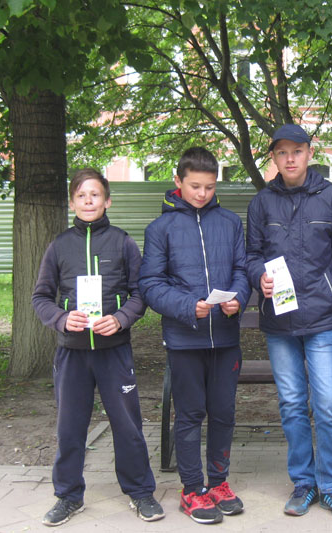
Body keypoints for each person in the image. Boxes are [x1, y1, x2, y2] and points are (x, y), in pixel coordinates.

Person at [32, 169, 163, 527]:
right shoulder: (59, 246)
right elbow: (41, 297)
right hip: (72, 354)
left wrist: (120, 319)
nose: (88, 201)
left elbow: (140, 294)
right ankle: (68, 495)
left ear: (107, 201)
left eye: (95, 195)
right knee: (69, 427)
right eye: (81, 195)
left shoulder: (122, 243)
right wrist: (62, 319)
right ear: (72, 202)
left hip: (114, 352)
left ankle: (140, 492)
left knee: (128, 425)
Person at [245, 124, 332, 521]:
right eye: (282, 152)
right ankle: (303, 483)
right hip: (279, 323)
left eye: (297, 150)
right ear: (274, 158)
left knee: (327, 404)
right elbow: (250, 256)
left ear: (310, 153)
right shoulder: (261, 203)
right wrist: (258, 275)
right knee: (293, 404)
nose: (290, 158)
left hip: (324, 320)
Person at [138, 147, 251, 525]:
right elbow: (150, 284)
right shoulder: (160, 229)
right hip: (184, 338)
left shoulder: (230, 223)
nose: (202, 194)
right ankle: (191, 490)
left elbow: (241, 270)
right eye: (195, 186)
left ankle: (218, 483)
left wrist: (238, 299)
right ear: (178, 182)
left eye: (209, 187)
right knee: (189, 415)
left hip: (226, 337)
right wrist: (188, 306)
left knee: (223, 412)